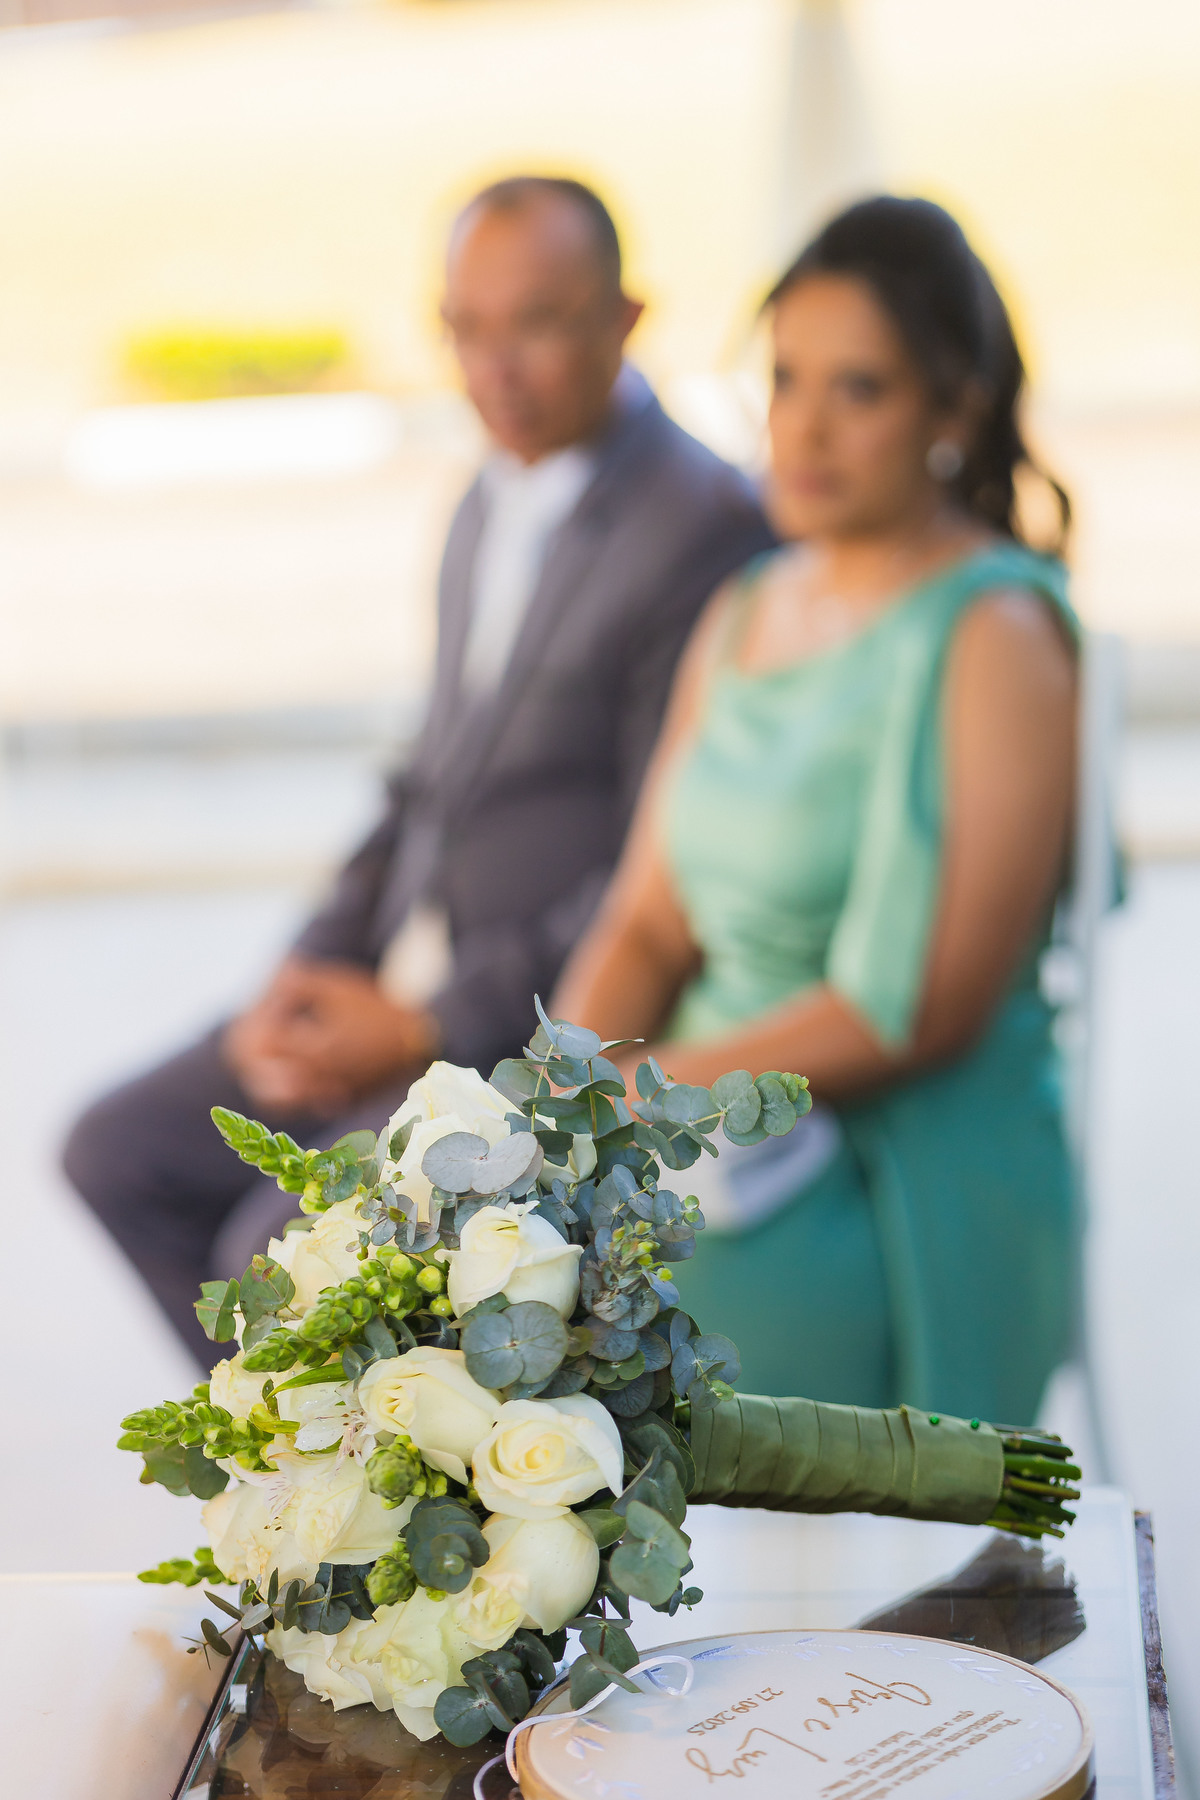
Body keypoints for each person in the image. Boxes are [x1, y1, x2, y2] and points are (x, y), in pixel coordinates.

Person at [64, 176, 774, 1365]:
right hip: (392, 988)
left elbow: (660, 874)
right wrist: (308, 971)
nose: (497, 367)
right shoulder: (480, 503)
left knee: (268, 1241)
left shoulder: (698, 524)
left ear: (626, 317)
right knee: (115, 1152)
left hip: (523, 1030)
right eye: (466, 328)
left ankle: (359, 1504)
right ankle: (307, 1483)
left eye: (537, 321)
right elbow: (428, 790)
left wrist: (418, 1024)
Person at [553, 195, 1079, 1426]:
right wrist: (552, 1112)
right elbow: (646, 923)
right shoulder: (745, 608)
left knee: (551, 1346)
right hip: (702, 1130)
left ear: (953, 412)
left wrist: (649, 1107)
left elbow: (918, 1011)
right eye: (787, 379)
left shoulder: (995, 631)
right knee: (472, 1267)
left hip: (887, 1165)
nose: (805, 426)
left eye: (863, 389)